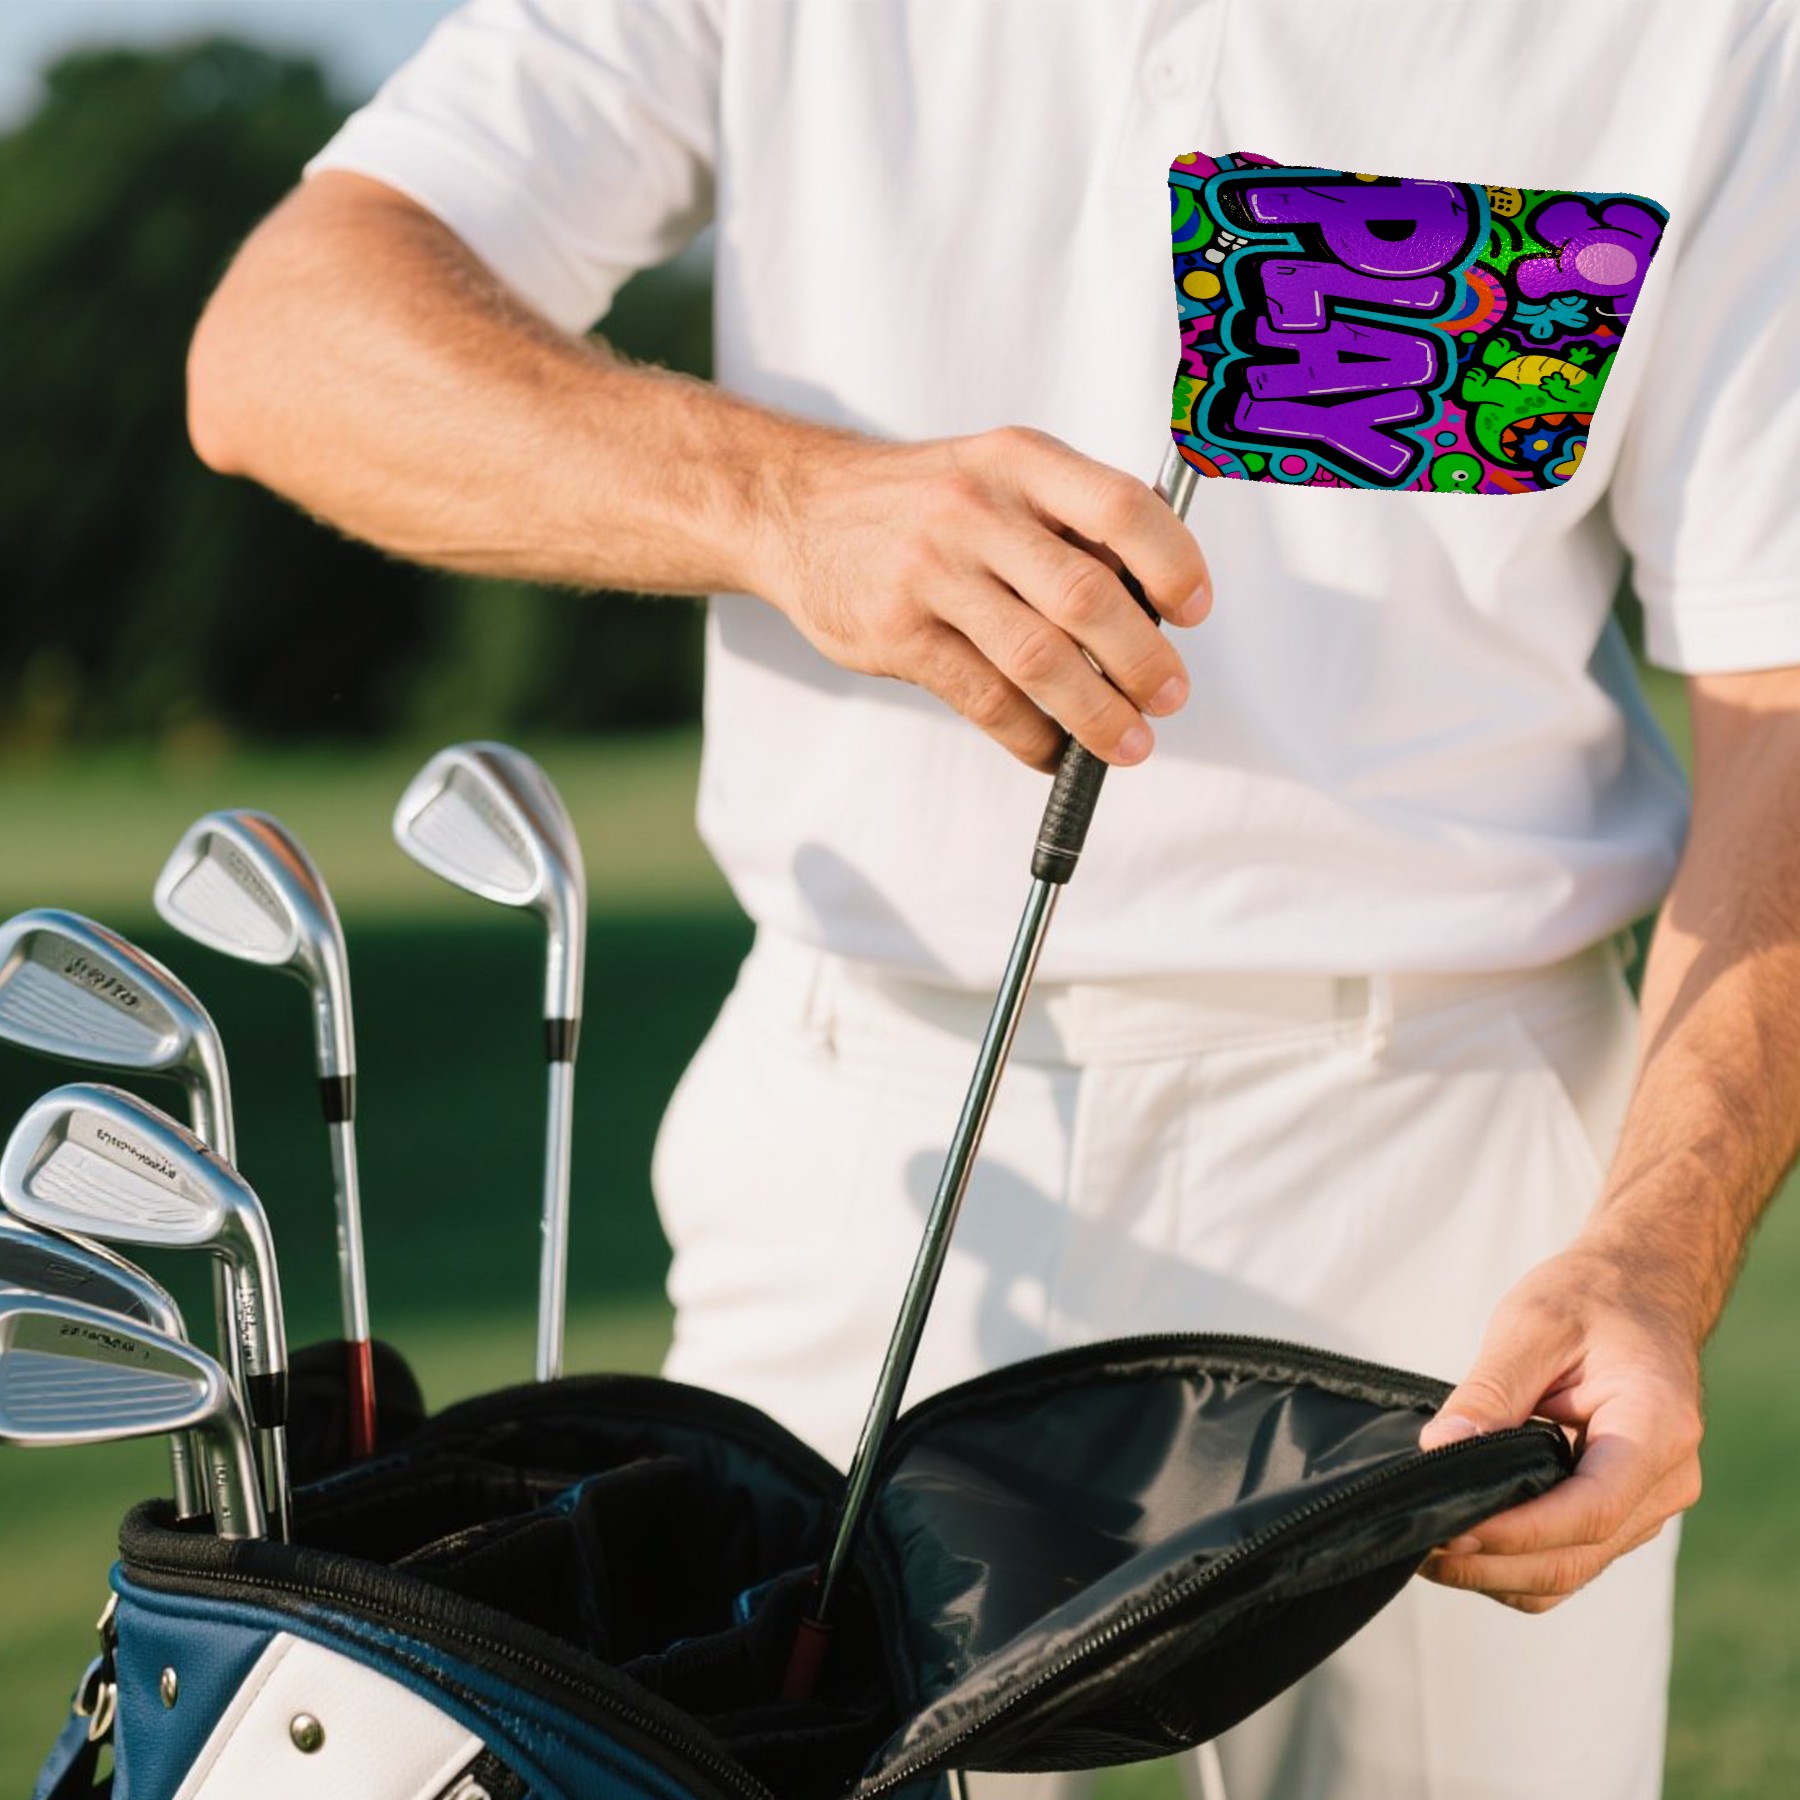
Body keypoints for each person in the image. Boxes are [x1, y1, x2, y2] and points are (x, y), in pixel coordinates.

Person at [184, 3, 1800, 1797]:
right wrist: (791, 505)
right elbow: (285, 341)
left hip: (1456, 1158)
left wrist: (1655, 1249)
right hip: (866, 1113)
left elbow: (1785, 695)